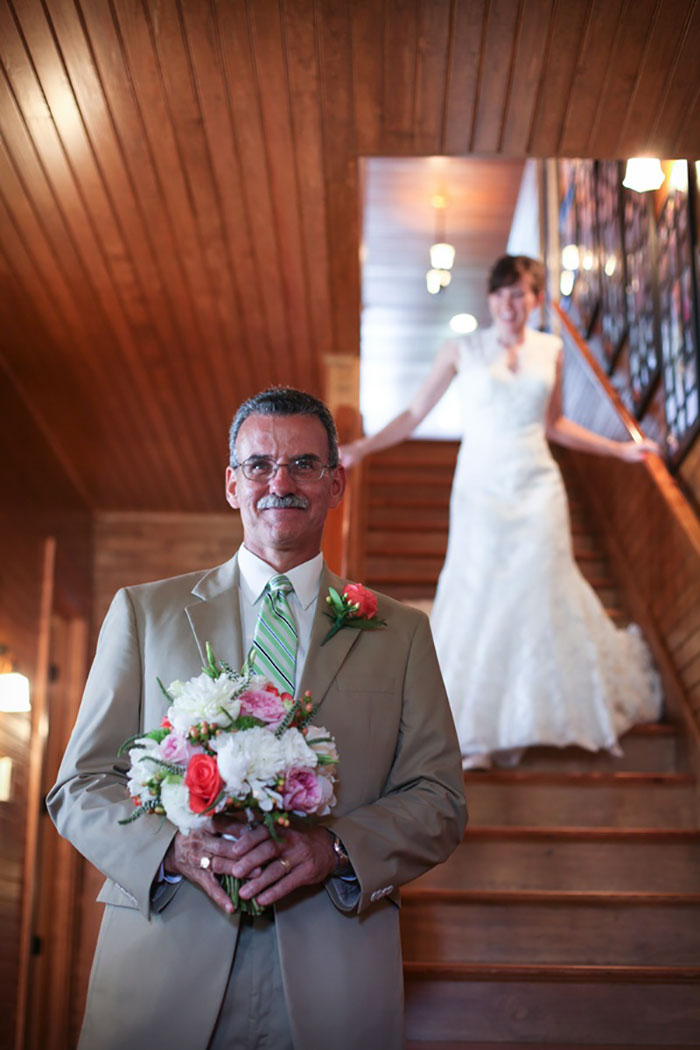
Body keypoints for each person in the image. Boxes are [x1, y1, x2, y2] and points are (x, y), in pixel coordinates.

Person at [47, 386, 466, 1050]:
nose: (281, 482)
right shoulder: (143, 614)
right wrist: (171, 849)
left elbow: (439, 798)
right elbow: (79, 785)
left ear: (336, 485)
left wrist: (333, 849)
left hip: (335, 970)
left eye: (304, 465)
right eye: (260, 464)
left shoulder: (402, 633)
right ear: (232, 484)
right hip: (165, 959)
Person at [341, 255, 662, 770]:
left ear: (535, 299)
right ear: (489, 298)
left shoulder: (551, 349)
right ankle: (478, 727)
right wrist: (361, 447)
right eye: (500, 293)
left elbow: (555, 424)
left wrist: (619, 449)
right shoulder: (461, 348)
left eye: (520, 293)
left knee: (539, 588)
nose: (509, 304)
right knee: (479, 591)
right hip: (480, 488)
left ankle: (539, 712)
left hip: (538, 485)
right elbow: (414, 413)